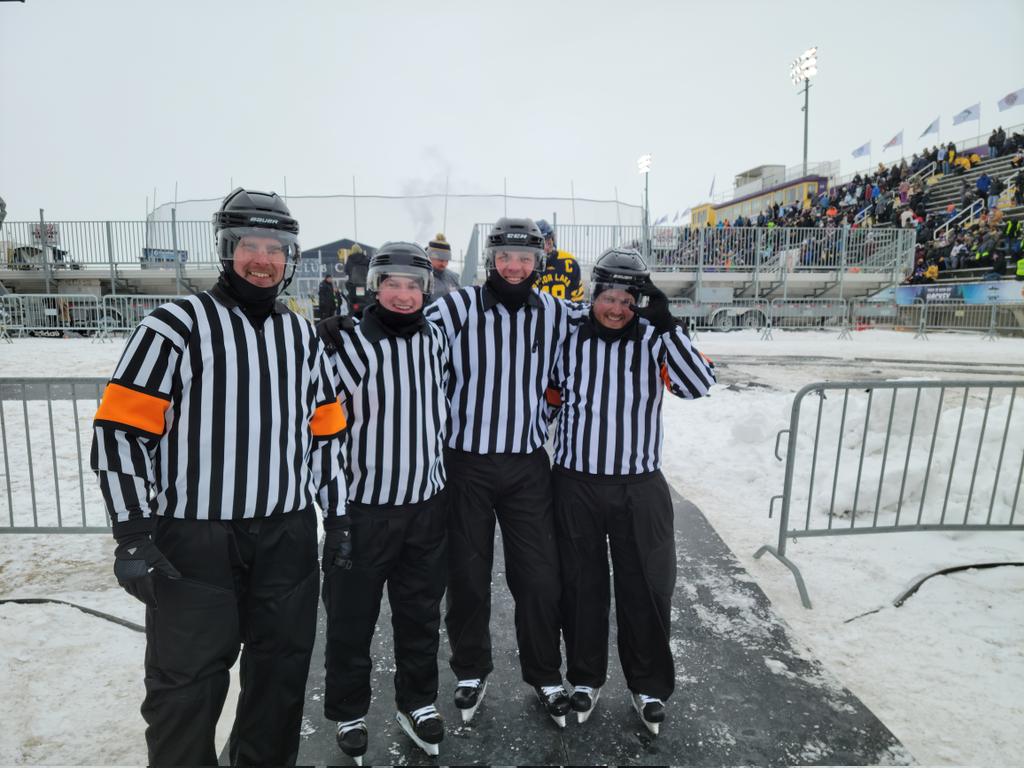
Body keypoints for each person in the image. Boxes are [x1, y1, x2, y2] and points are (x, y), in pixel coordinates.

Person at [90, 188, 347, 766]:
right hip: (195, 539)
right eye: (249, 246)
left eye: (275, 248)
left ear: (291, 257)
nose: (263, 259)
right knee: (188, 687)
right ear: (226, 251)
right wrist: (132, 534)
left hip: (286, 535)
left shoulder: (303, 335)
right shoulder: (173, 325)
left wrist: (342, 514)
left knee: (280, 680)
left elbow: (325, 429)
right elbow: (119, 432)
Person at [423, 217, 586, 729]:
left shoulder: (556, 313)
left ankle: (544, 673)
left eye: (525, 259)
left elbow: (607, 321)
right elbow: (409, 332)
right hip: (466, 463)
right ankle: (471, 669)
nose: (514, 268)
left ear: (539, 262)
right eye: (505, 257)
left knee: (539, 577)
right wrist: (355, 325)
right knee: (467, 576)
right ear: (491, 259)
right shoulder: (458, 306)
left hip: (526, 466)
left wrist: (652, 311)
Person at [547, 247, 714, 734]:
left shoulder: (654, 336)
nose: (616, 308)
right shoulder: (569, 331)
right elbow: (549, 396)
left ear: (641, 299)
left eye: (627, 298)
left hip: (639, 485)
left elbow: (699, 384)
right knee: (580, 586)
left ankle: (648, 686)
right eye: (608, 297)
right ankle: (584, 676)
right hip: (575, 482)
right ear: (593, 293)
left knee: (647, 586)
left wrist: (668, 326)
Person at [318, 242, 450, 762]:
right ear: (375, 287)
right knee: (352, 619)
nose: (402, 294)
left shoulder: (436, 340)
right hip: (363, 509)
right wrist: (335, 509)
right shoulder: (345, 345)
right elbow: (321, 429)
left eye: (412, 285)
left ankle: (417, 702)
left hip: (425, 505)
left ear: (425, 290)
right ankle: (349, 709)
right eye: (392, 284)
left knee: (420, 615)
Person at [534, 218, 584, 301]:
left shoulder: (569, 262)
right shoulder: (528, 265)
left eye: (549, 242)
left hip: (565, 313)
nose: (546, 247)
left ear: (553, 240)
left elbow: (577, 298)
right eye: (541, 244)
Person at [426, 233, 461, 303]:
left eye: (447, 260)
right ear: (430, 257)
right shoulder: (423, 277)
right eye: (441, 260)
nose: (444, 264)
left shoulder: (453, 277)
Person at [342, 243, 372, 319]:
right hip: (365, 285)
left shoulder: (350, 260)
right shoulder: (366, 259)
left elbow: (346, 271)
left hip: (354, 286)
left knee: (354, 304)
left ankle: (353, 317)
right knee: (366, 302)